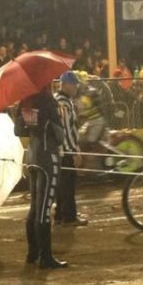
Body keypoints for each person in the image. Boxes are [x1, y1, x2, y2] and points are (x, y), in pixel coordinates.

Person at [14, 85, 68, 269]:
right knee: (44, 208)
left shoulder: (25, 102)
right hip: (47, 157)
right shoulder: (49, 103)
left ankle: (32, 252)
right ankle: (46, 257)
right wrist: (59, 119)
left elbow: (18, 130)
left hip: (32, 155)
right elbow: (60, 136)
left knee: (34, 207)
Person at [54, 71, 87, 227]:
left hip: (60, 150)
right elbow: (66, 129)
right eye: (74, 84)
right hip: (66, 150)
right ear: (66, 85)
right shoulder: (64, 103)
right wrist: (74, 151)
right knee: (68, 185)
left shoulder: (59, 100)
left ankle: (60, 215)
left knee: (61, 186)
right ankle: (69, 217)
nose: (75, 88)